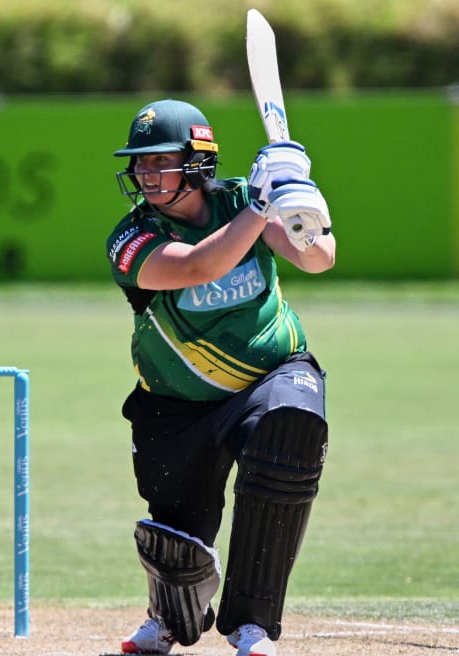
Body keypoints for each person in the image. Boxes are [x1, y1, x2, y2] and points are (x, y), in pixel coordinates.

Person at [106, 99, 335, 656]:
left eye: (160, 161)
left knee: (292, 428)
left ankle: (251, 624)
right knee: (179, 540)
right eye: (140, 164)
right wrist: (260, 206)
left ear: (198, 162)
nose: (145, 175)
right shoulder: (130, 238)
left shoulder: (244, 201)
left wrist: (298, 197)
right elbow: (196, 267)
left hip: (273, 371)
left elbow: (319, 258)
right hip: (177, 405)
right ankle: (168, 616)